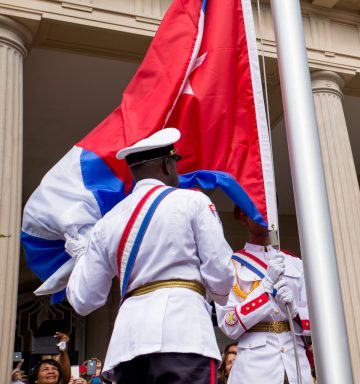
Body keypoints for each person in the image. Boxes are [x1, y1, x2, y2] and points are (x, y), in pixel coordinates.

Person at [65, 128, 235, 383]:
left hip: (127, 343)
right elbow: (220, 273)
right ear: (168, 165)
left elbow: (84, 299)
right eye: (175, 164)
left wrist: (80, 256)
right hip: (184, 333)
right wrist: (219, 295)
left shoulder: (107, 222)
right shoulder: (193, 201)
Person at [216, 205, 312, 384]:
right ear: (244, 218)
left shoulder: (295, 263)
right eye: (257, 209)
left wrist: (295, 312)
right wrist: (265, 288)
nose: (265, 215)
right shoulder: (232, 266)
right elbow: (228, 323)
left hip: (295, 361)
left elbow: (317, 319)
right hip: (255, 366)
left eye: (269, 209)